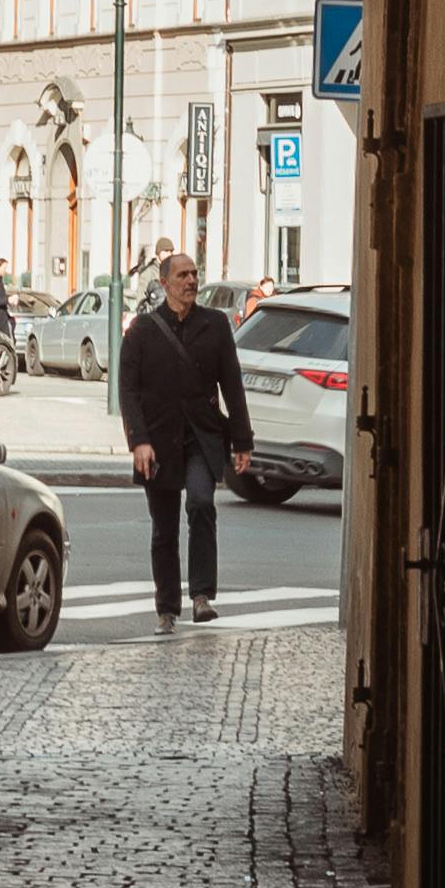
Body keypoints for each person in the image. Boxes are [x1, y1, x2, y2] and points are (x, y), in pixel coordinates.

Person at [118, 243, 253, 626]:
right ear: (164, 283)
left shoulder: (216, 325)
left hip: (201, 437)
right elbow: (128, 391)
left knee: (201, 504)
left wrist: (242, 441)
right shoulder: (143, 330)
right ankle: (166, 608)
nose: (191, 280)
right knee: (164, 528)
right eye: (183, 275)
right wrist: (139, 441)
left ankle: (201, 596)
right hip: (157, 441)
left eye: (194, 274)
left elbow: (232, 384)